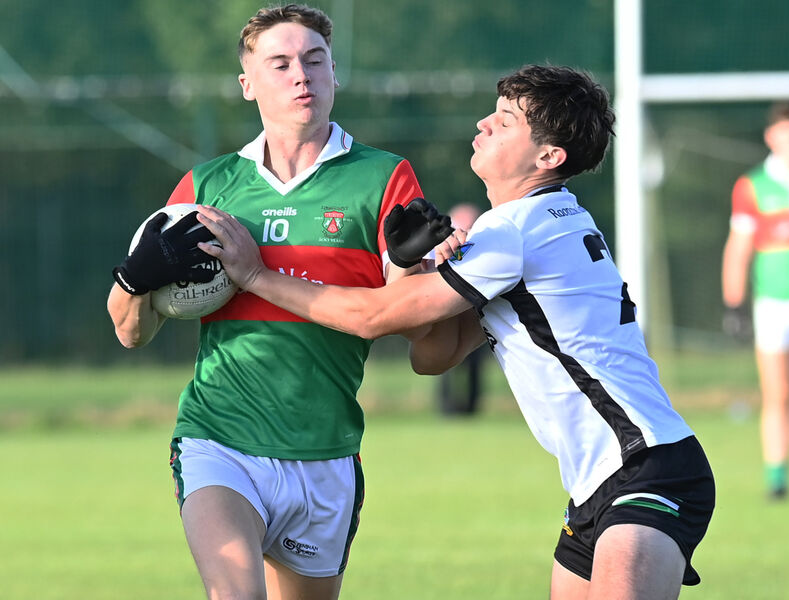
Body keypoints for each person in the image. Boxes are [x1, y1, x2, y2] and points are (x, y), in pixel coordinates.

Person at [197, 64, 716, 600]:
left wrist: (256, 275)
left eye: (507, 120)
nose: (484, 123)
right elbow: (436, 355)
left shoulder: (515, 229)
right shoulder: (538, 222)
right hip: (597, 485)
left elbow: (374, 318)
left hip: (645, 469)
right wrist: (418, 266)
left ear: (548, 157)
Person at [107, 5, 441, 599]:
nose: (301, 76)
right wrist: (135, 280)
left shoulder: (384, 178)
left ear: (335, 73)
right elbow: (131, 332)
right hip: (219, 439)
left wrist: (414, 269)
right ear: (248, 84)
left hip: (326, 452)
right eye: (280, 63)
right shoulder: (205, 189)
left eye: (314, 61)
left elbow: (414, 325)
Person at [722, 101, 789, 500]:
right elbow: (739, 248)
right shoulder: (754, 185)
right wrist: (734, 303)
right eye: (787, 134)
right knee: (779, 392)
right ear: (772, 137)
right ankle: (777, 478)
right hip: (774, 303)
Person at [437, 203, 486, 415]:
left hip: (475, 314)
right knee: (444, 363)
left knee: (473, 364)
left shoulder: (477, 245)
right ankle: (448, 407)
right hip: (452, 311)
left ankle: (470, 407)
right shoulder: (448, 247)